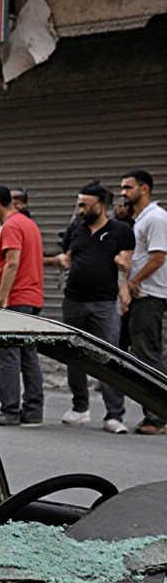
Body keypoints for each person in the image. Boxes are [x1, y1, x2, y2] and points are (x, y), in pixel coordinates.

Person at [44, 183, 133, 433]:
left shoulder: (121, 230)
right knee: (73, 353)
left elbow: (127, 262)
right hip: (73, 300)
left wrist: (123, 268)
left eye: (84, 204)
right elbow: (67, 257)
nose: (79, 209)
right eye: (78, 203)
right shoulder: (75, 228)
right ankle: (80, 407)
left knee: (109, 357)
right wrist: (58, 262)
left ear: (100, 205)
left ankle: (114, 414)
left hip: (104, 302)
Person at [0, 185, 45, 427]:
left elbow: (12, 263)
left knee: (8, 354)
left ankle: (10, 410)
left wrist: (2, 299)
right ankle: (33, 410)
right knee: (28, 354)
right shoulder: (28, 224)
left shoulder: (10, 226)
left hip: (16, 297)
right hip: (32, 297)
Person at [120, 169, 167, 435]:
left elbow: (158, 257)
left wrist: (134, 281)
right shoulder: (140, 219)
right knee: (141, 351)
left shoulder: (157, 218)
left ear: (144, 189)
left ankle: (158, 416)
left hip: (150, 294)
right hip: (141, 293)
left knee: (148, 353)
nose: (124, 193)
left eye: (128, 188)